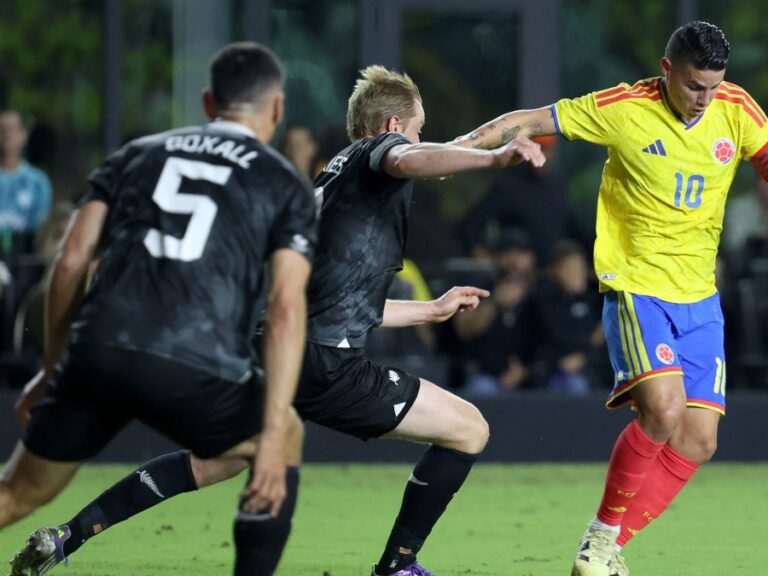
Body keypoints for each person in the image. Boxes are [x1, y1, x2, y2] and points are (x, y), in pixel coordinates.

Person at [452, 20, 768, 576]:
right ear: (666, 69)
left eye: (713, 85)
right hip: (637, 287)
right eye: (694, 85)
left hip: (699, 298)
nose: (704, 97)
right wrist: (454, 152)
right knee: (664, 409)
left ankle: (603, 547)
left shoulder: (735, 106)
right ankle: (602, 536)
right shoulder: (625, 107)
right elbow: (529, 120)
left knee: (699, 441)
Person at [5, 42, 317, 576]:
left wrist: (55, 370)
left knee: (17, 493)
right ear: (277, 108)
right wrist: (269, 433)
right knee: (285, 433)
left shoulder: (136, 154)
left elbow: (71, 260)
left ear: (208, 102)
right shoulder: (285, 182)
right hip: (194, 362)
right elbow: (286, 304)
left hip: (99, 349)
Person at [294, 65, 544, 576]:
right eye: (417, 128)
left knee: (216, 459)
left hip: (281, 349)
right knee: (469, 429)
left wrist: (431, 310)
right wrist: (494, 157)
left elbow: (343, 307)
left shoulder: (338, 180)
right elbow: (408, 157)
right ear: (392, 126)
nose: (419, 138)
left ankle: (98, 523)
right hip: (328, 365)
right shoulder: (379, 152)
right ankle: (397, 565)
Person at [457, 136, 587, 264]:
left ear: (554, 151)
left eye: (545, 148)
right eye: (536, 149)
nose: (540, 154)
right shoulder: (509, 186)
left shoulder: (557, 184)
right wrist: (489, 261)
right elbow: (469, 227)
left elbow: (573, 229)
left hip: (551, 272)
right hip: (517, 274)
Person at [527, 240, 603, 395]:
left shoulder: (594, 297)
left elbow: (605, 334)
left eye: (579, 268)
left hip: (592, 365)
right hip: (553, 368)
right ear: (554, 271)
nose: (576, 273)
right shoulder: (544, 298)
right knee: (576, 385)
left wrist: (585, 355)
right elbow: (558, 336)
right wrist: (591, 342)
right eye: (569, 268)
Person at [0, 109, 52, 236]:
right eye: (2, 129)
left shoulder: (39, 182)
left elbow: (41, 230)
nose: (7, 135)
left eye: (12, 129)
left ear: (24, 136)